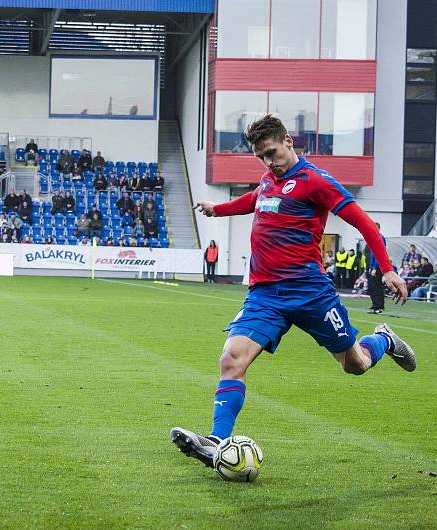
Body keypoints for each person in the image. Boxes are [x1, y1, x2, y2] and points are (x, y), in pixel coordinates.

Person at [170, 114, 415, 469]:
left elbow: (361, 221)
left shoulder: (316, 181)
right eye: (261, 157)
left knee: (355, 365)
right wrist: (217, 209)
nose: (269, 162)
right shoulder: (269, 179)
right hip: (265, 294)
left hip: (311, 293)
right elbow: (254, 200)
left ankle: (384, 341)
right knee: (231, 360)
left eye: (271, 152)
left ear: (288, 140)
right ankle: (218, 441)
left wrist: (388, 268)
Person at [365, 222, 387, 314]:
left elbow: (379, 254)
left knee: (377, 286)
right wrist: (370, 267)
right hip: (372, 266)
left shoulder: (380, 237)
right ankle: (375, 305)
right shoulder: (373, 237)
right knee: (372, 287)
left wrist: (374, 267)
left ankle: (379, 306)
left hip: (377, 267)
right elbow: (372, 254)